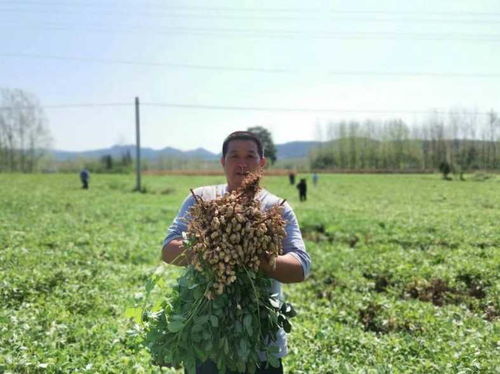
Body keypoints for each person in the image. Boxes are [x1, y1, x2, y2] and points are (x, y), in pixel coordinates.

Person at [162, 131, 311, 374]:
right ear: (223, 161)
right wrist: (209, 249)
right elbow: (168, 250)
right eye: (234, 156)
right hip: (206, 339)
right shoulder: (200, 200)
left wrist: (259, 259)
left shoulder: (277, 208)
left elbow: (301, 267)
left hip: (261, 343)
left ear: (262, 163)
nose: (242, 164)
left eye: (250, 156)